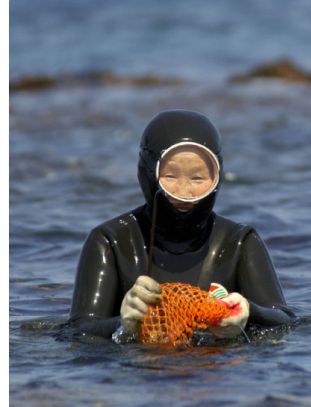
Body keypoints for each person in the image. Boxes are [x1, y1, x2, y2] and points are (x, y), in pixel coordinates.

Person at [68, 109, 294, 341]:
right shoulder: (110, 241)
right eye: (171, 177)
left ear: (217, 178)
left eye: (197, 178)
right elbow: (78, 332)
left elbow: (285, 321)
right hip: (139, 370)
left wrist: (247, 312)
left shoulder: (238, 242)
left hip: (217, 372)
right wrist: (123, 323)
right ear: (148, 173)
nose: (184, 192)